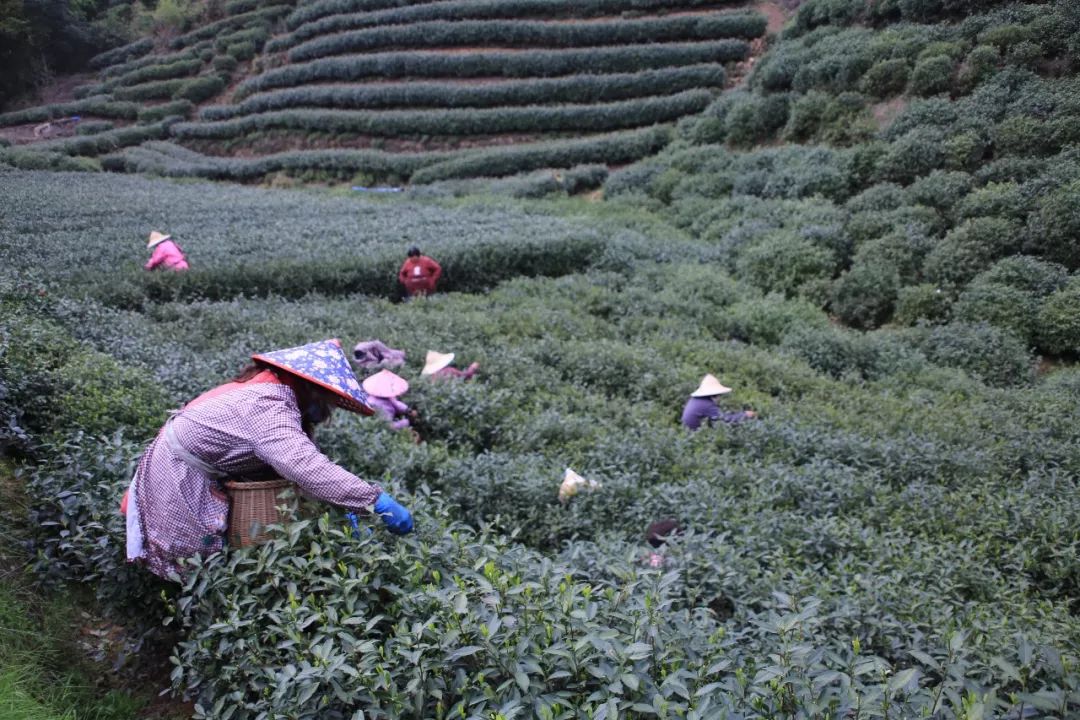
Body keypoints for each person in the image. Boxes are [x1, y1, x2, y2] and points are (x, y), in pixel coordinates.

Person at [122, 339, 413, 579]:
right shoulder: (267, 405)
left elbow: (299, 461)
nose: (327, 411)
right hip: (178, 474)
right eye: (327, 400)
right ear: (311, 387)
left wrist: (343, 500)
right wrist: (373, 501)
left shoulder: (272, 392)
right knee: (197, 568)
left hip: (189, 466)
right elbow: (304, 466)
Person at [680, 374, 757, 431]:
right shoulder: (707, 405)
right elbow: (725, 420)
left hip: (687, 431)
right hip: (695, 435)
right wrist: (745, 415)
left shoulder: (695, 399)